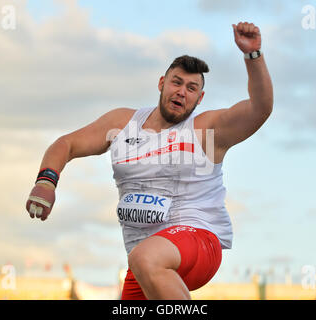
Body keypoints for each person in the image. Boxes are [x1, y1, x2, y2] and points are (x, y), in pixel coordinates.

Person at [26, 22, 273, 300]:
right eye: (176, 82)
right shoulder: (122, 122)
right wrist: (46, 181)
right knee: (140, 271)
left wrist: (254, 56)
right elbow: (66, 144)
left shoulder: (206, 130)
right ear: (161, 83)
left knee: (146, 257)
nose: (182, 92)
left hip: (198, 240)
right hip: (143, 260)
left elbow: (259, 109)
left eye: (191, 88)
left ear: (200, 98)